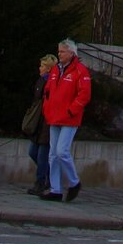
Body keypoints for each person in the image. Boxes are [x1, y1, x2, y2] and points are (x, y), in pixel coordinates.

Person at [41, 38, 92, 202]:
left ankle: (74, 182)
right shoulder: (56, 69)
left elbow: (84, 95)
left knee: (62, 151)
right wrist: (47, 108)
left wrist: (72, 110)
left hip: (69, 118)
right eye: (59, 51)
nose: (59, 54)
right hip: (54, 116)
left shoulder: (80, 71)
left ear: (71, 52)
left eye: (62, 51)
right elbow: (48, 90)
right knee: (53, 154)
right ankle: (55, 189)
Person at [25, 54, 55, 196]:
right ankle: (49, 175)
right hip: (39, 121)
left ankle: (41, 181)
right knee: (33, 152)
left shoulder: (52, 83)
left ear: (48, 69)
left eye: (42, 66)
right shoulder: (40, 81)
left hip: (47, 123)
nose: (40, 68)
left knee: (42, 154)